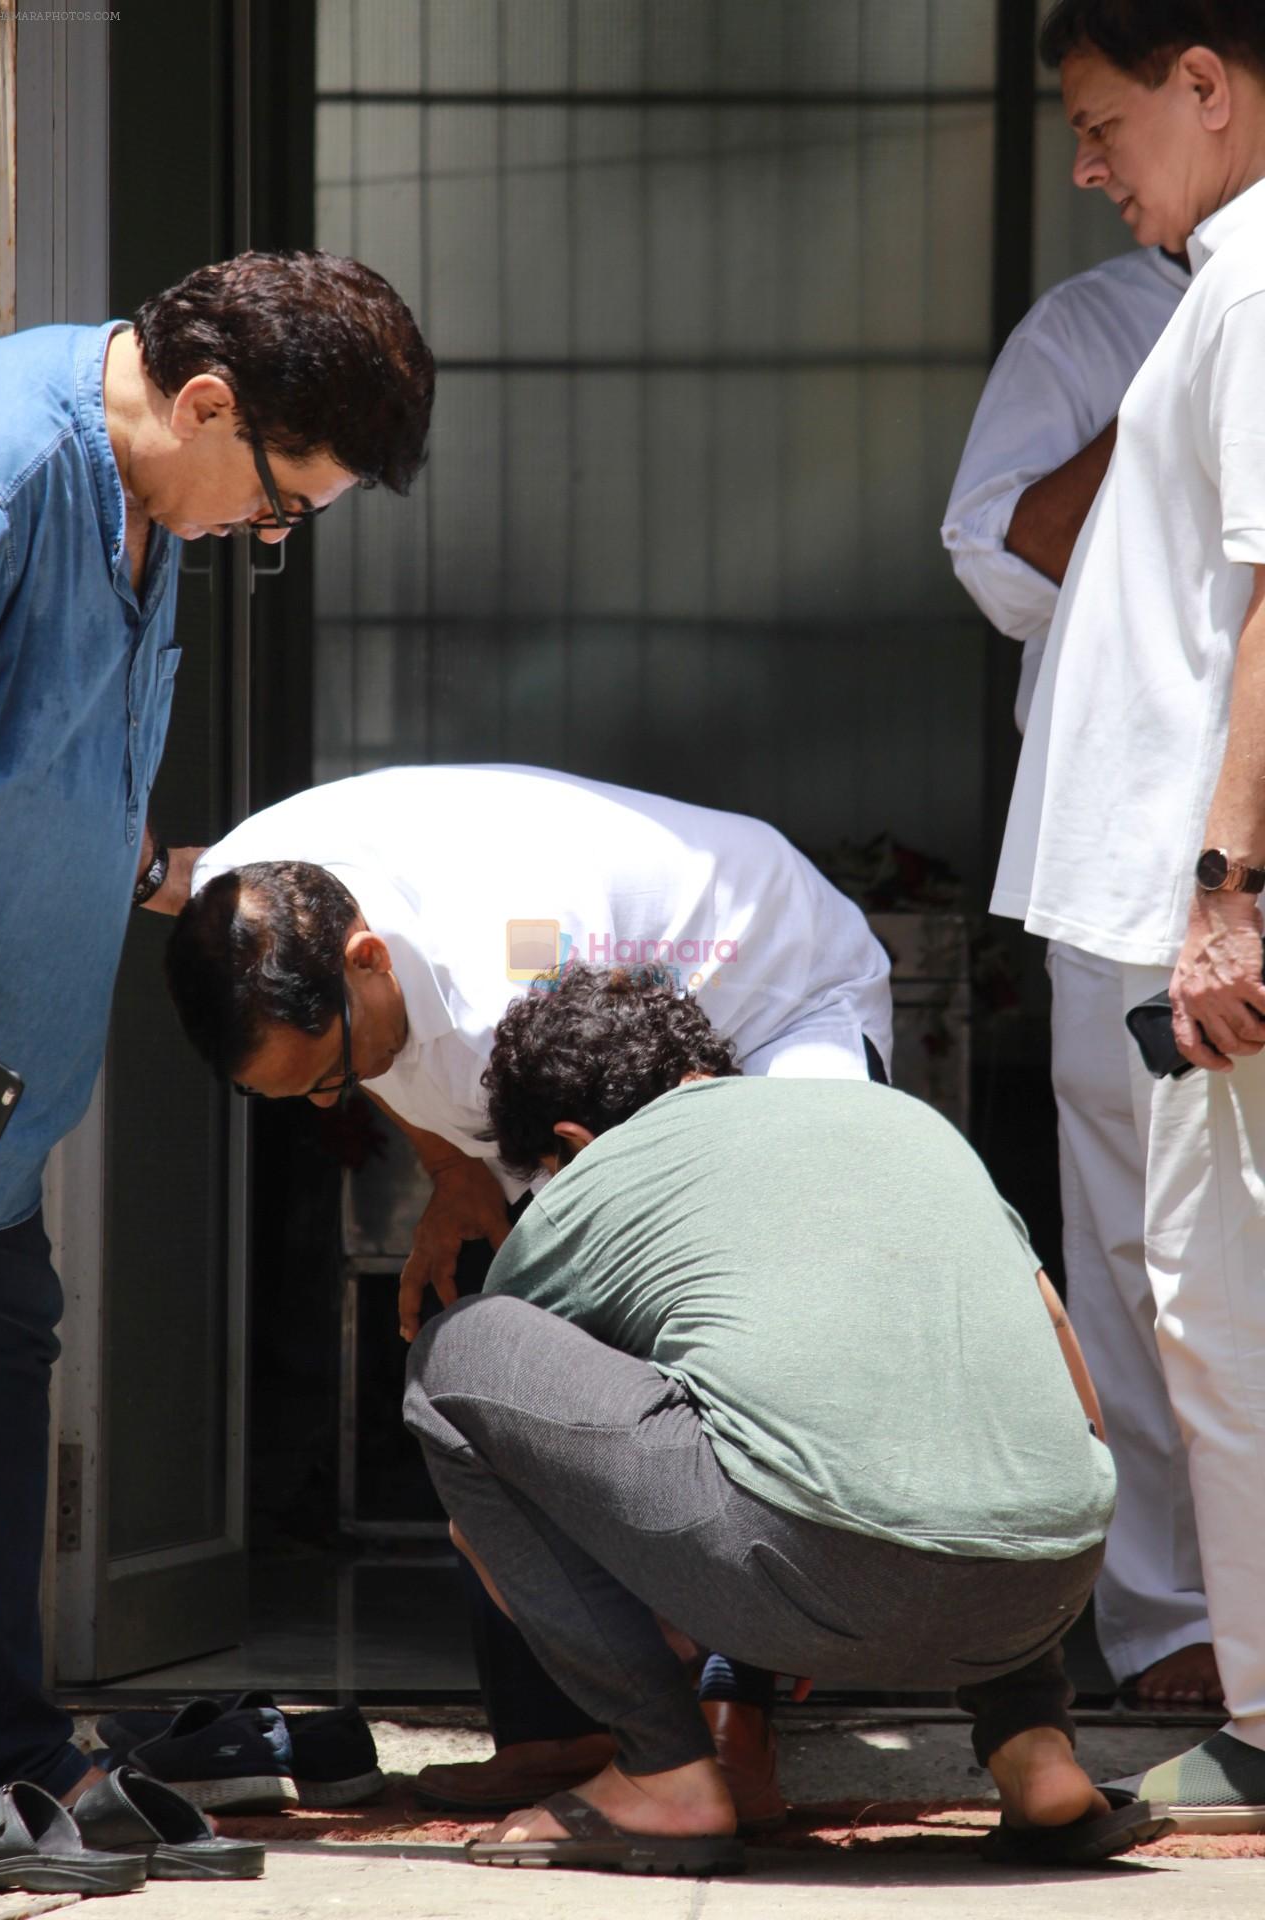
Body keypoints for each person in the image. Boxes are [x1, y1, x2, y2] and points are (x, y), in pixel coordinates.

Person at [164, 761, 894, 1825]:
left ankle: (729, 1722)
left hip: (772, 994)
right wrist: (454, 1172)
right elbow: (377, 1071)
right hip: (583, 1028)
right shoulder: (242, 892)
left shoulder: (499, 982)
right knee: (491, 1338)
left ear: (365, 960)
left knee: (711, 1339)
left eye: (327, 1075)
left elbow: (629, 1222)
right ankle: (556, 1728)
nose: (330, 1100)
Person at [0, 249, 433, 1806]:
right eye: (285, 499)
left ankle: (11, 1773)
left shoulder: (147, 487)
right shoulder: (8, 474)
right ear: (206, 400)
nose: (268, 529)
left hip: (7, 1112)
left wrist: (195, 880)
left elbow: (64, 778)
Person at [398, 965, 1155, 1874]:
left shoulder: (602, 1174)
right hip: (1048, 1581)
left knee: (453, 1356)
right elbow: (1058, 1349)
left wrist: (723, 1595)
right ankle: (1038, 1753)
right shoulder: (906, 1122)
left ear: (569, 1138)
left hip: (802, 1572)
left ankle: (664, 1773)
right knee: (952, 1396)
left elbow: (512, 1463)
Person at [993, 0, 1265, 1827]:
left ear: (1206, 84)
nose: (1090, 167)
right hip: (1142, 897)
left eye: (1105, 123)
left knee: (1225, 1314)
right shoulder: (1225, 278)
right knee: (1193, 1311)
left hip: (1198, 905)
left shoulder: (1253, 285)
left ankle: (1258, 1700)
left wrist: (1231, 886)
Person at [942, 249, 1217, 1708]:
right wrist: (1168, 391)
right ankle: (1173, 1621)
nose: (1095, 165)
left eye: (1107, 127)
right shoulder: (1098, 326)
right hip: (1125, 856)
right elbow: (998, 556)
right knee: (1134, 1251)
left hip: (1225, 842)